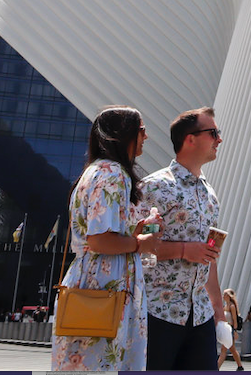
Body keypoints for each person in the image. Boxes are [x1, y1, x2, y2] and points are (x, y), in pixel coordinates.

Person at [51, 106, 161, 372]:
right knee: (104, 362)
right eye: (141, 130)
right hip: (107, 285)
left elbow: (100, 233)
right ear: (124, 134)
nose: (145, 136)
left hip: (89, 280)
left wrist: (134, 231)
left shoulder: (95, 171)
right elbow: (100, 240)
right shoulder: (114, 174)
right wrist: (140, 244)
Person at [139, 107, 224, 370]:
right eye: (213, 133)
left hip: (200, 316)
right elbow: (138, 249)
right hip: (158, 312)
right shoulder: (154, 187)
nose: (219, 139)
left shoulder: (210, 195)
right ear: (190, 139)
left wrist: (219, 313)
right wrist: (184, 250)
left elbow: (210, 258)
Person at [217, 288, 243, 370]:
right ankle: (240, 366)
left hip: (230, 329)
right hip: (226, 328)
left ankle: (216, 368)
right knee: (232, 349)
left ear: (228, 296)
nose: (223, 296)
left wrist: (235, 331)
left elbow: (234, 320)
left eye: (225, 294)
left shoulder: (232, 306)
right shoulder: (225, 306)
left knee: (224, 350)